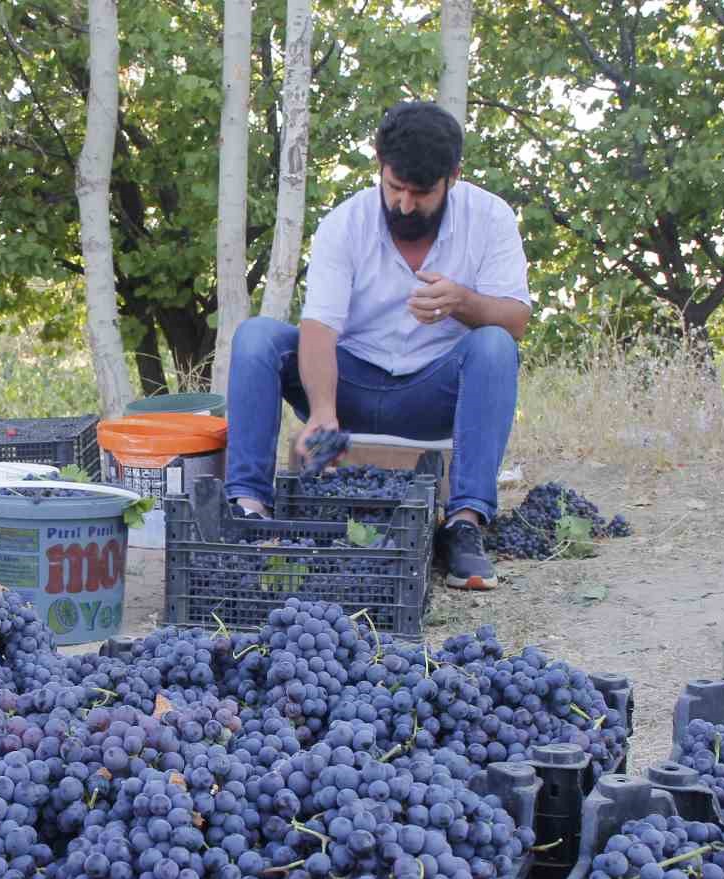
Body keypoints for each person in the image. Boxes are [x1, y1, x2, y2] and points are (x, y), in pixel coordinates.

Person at [224, 101, 531, 591]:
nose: (405, 205)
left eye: (421, 193)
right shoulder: (345, 223)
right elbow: (320, 326)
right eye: (395, 188)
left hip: (432, 393)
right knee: (257, 337)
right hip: (352, 388)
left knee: (493, 345)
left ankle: (465, 525)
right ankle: (249, 512)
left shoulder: (490, 217)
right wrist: (322, 411)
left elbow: (516, 321)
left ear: (453, 176)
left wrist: (463, 302)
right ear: (379, 167)